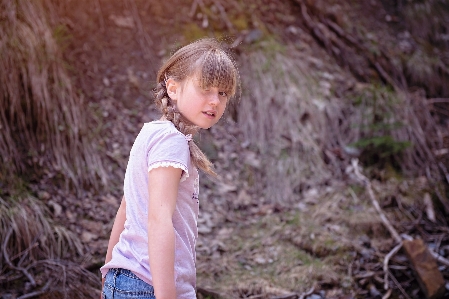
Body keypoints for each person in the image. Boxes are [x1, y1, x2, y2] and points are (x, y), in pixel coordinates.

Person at [100, 38, 239, 299]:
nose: (214, 101)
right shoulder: (172, 140)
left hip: (126, 279)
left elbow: (126, 209)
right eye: (205, 88)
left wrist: (108, 274)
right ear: (173, 88)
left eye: (222, 93)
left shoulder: (152, 132)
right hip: (149, 287)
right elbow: (159, 221)